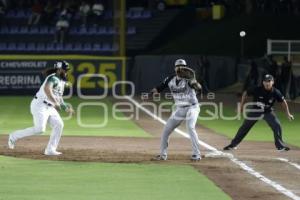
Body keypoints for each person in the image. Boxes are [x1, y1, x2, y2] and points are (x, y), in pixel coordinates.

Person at [8, 61, 75, 156]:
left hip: (49, 107)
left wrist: (66, 108)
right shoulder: (53, 78)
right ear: (59, 70)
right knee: (40, 129)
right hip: (39, 105)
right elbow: (47, 90)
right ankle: (13, 136)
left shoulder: (61, 81)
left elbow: (59, 98)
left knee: (59, 124)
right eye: (65, 70)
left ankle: (50, 150)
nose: (66, 72)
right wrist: (55, 103)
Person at [224, 74, 294, 151]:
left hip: (268, 112)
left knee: (277, 125)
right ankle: (233, 145)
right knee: (244, 127)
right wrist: (241, 106)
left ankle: (280, 146)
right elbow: (245, 93)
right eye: (265, 81)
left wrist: (288, 113)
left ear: (273, 82)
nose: (267, 83)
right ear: (263, 82)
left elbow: (283, 102)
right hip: (255, 111)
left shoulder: (276, 92)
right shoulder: (257, 89)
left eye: (269, 81)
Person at [151, 59, 203, 161]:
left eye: (182, 66)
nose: (179, 68)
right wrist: (150, 93)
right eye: (178, 66)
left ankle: (197, 154)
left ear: (185, 68)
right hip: (179, 109)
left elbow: (199, 88)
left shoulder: (189, 79)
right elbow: (159, 88)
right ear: (175, 68)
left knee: (190, 127)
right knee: (166, 130)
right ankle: (162, 155)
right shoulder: (170, 79)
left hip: (192, 107)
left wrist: (195, 83)